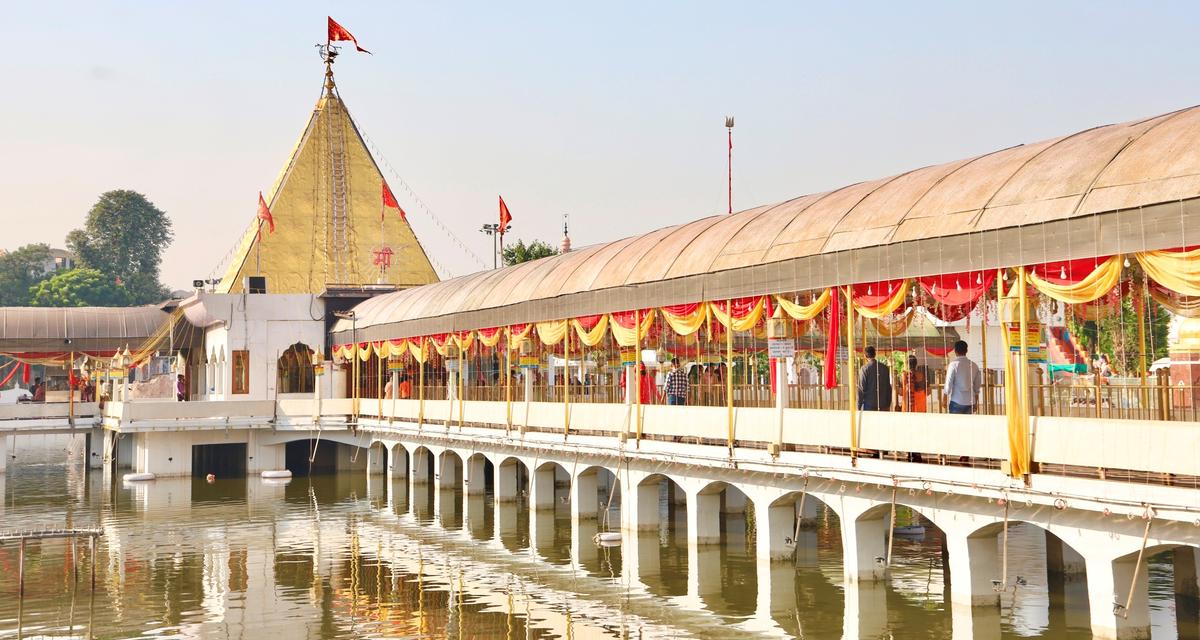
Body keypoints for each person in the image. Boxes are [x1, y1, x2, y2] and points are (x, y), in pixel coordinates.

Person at [943, 340, 982, 414]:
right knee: (968, 425)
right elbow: (977, 386)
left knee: (956, 425)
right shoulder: (974, 365)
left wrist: (944, 398)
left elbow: (948, 383)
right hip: (970, 402)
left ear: (955, 351)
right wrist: (975, 401)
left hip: (956, 401)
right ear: (966, 350)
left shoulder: (953, 365)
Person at [856, 346, 891, 411]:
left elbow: (861, 388)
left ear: (865, 356)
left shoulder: (864, 369)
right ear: (875, 354)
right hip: (884, 404)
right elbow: (888, 387)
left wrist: (858, 406)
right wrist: (888, 403)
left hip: (869, 404)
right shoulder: (885, 368)